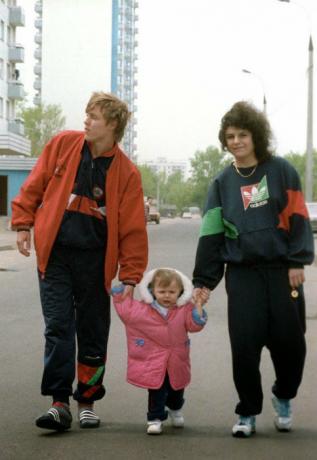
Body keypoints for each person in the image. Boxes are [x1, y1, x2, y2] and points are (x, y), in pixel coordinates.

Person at [11, 92, 148, 431]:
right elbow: (35, 184)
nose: (85, 121)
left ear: (112, 125)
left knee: (92, 331)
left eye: (94, 117)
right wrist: (23, 223)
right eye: (86, 115)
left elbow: (132, 229)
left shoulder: (127, 173)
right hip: (55, 256)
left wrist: (130, 277)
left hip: (96, 263)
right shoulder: (63, 145)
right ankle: (59, 402)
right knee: (58, 327)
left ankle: (86, 400)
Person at [192, 101, 314, 438]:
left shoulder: (282, 171)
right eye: (229, 136)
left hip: (281, 271)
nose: (236, 141)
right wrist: (204, 281)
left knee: (292, 345)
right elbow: (212, 233)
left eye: (242, 134)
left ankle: (283, 395)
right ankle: (247, 412)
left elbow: (298, 216)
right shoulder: (222, 182)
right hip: (243, 275)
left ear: (255, 136)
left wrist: (296, 260)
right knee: (244, 347)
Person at [111, 268, 208, 435]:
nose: (167, 295)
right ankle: (154, 418)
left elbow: (195, 325)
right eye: (162, 291)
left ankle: (175, 408)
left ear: (180, 292)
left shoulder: (184, 309)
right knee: (156, 389)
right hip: (153, 360)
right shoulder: (142, 309)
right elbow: (125, 309)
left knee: (177, 387)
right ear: (152, 291)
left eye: (172, 292)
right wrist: (121, 293)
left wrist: (198, 305)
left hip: (177, 359)